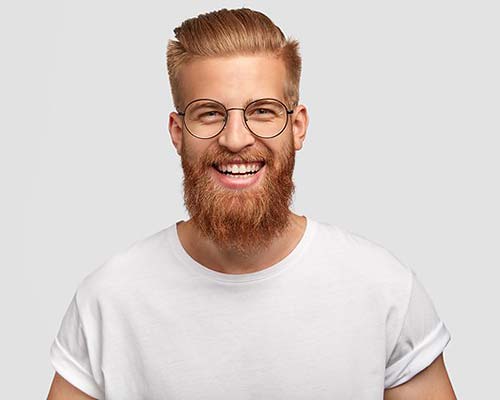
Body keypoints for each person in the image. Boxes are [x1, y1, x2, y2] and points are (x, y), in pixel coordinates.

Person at [47, 7, 457, 400]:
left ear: (297, 127)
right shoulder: (108, 300)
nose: (235, 139)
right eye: (209, 114)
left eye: (262, 111)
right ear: (178, 132)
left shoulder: (383, 289)